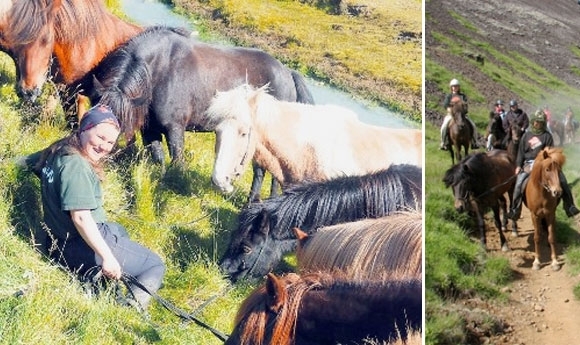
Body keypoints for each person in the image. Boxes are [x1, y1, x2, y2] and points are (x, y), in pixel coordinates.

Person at [24, 104, 166, 310]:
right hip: (78, 245)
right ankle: (129, 311)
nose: (105, 146)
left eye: (110, 142)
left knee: (119, 229)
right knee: (154, 265)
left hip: (56, 242)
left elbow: (27, 162)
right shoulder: (76, 166)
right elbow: (81, 218)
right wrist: (108, 258)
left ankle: (102, 280)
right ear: (84, 129)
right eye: (100, 137)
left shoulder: (57, 150)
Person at [507, 110, 580, 220]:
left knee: (563, 180)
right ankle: (515, 209)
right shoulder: (526, 136)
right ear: (533, 121)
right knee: (519, 183)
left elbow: (551, 152)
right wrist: (518, 166)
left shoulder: (547, 136)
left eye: (540, 122)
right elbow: (521, 153)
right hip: (529, 163)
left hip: (544, 164)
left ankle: (569, 206)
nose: (538, 124)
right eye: (536, 121)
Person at [440, 78, 479, 150]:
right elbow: (446, 105)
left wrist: (463, 111)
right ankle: (443, 142)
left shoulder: (462, 96)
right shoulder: (449, 96)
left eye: (456, 86)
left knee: (473, 125)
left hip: (462, 116)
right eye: (453, 86)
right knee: (444, 127)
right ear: (451, 87)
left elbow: (465, 106)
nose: (455, 88)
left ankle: (474, 142)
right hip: (451, 115)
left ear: (459, 87)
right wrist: (450, 110)